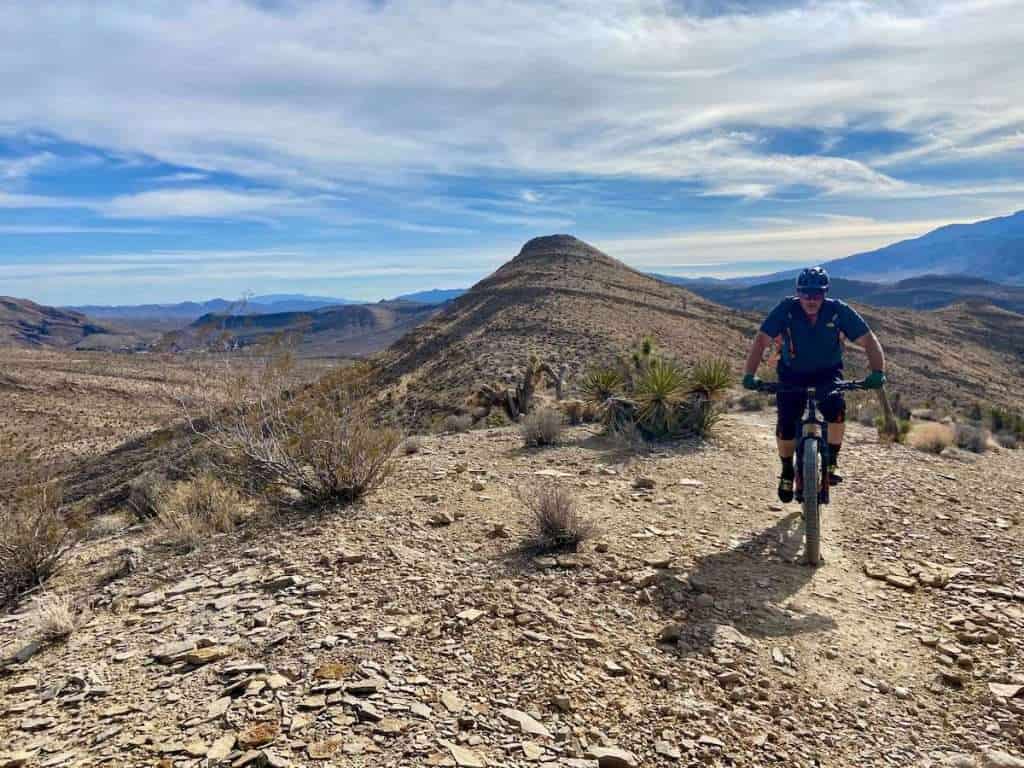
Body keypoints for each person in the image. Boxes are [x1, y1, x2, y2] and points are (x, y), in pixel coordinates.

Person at [741, 266, 886, 503]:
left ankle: (831, 462)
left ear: (825, 293)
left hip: (827, 373)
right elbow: (761, 341)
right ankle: (787, 470)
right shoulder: (786, 309)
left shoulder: (838, 311)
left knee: (836, 411)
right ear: (798, 292)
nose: (810, 298)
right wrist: (750, 374)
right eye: (805, 293)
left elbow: (869, 341)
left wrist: (878, 371)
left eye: (817, 293)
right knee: (786, 422)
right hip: (791, 373)